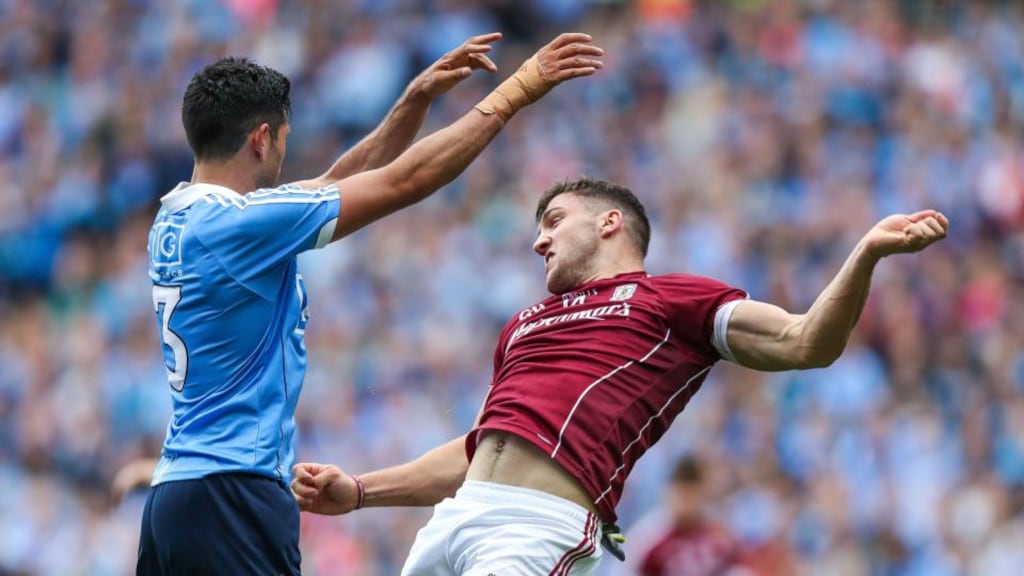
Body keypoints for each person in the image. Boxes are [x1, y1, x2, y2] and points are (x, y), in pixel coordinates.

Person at [291, 177, 950, 575]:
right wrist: (362, 492)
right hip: (456, 519)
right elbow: (480, 449)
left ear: (609, 222)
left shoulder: (672, 299)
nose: (537, 241)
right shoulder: (522, 324)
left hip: (540, 523)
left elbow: (805, 341)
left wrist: (865, 254)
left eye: (553, 222)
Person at [139, 33, 606, 576]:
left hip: (175, 496)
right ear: (262, 139)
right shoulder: (239, 224)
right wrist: (516, 91)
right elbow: (405, 181)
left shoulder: (177, 218)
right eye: (285, 140)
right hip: (234, 492)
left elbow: (340, 181)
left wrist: (414, 101)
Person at [621, 455, 752, 576]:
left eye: (692, 494)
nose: (687, 502)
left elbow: (739, 569)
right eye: (682, 494)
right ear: (669, 492)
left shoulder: (719, 534)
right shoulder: (647, 539)